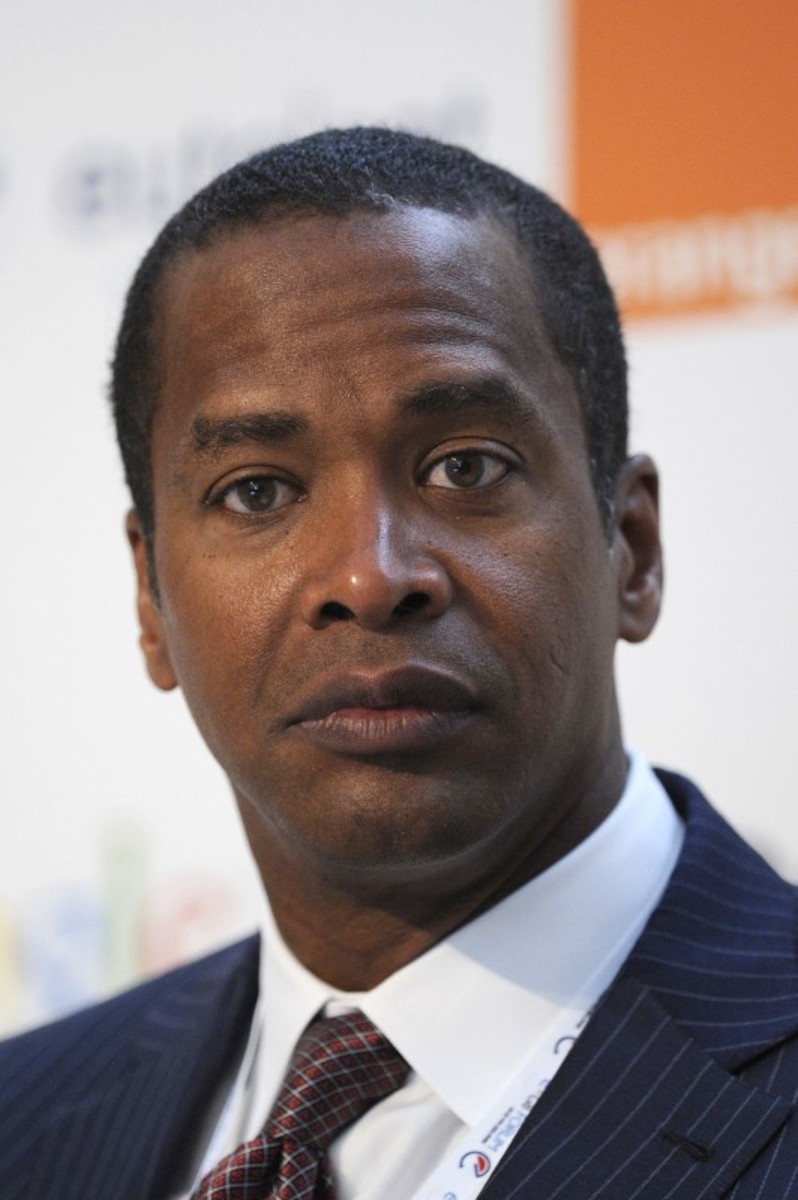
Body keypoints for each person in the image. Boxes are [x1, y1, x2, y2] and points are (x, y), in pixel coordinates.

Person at [1, 127, 796, 1200]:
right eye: (257, 491)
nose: (370, 578)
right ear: (151, 598)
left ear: (633, 551)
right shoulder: (22, 1123)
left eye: (465, 467)